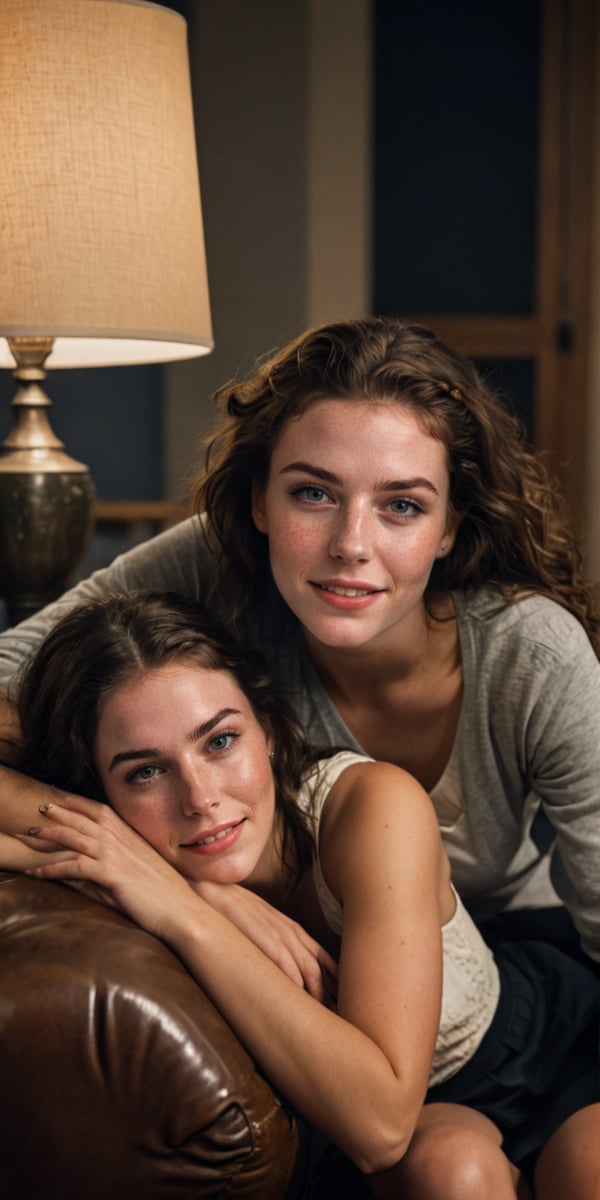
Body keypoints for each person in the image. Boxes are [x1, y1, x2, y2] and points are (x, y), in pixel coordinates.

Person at [8, 590, 600, 1199]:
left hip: (537, 1047)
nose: (200, 798)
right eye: (145, 772)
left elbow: (382, 1117)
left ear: (265, 729)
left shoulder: (371, 807)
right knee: (453, 1173)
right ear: (99, 796)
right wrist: (195, 904)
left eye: (219, 742)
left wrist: (186, 901)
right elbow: (381, 1129)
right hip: (385, 1122)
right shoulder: (129, 869)